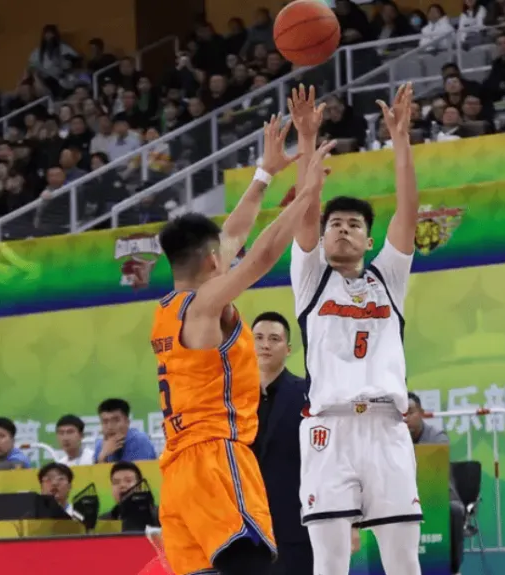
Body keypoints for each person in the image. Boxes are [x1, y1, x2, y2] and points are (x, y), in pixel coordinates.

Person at [151, 114, 335, 575]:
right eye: (222, 254)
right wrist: (307, 193)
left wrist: (265, 174)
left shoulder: (169, 309)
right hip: (215, 455)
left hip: (177, 472)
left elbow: (232, 235)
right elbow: (262, 255)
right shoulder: (204, 306)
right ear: (212, 261)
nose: (229, 252)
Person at [287, 83, 421, 575]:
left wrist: (401, 141)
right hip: (329, 428)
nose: (343, 228)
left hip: (386, 426)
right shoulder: (311, 277)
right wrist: (306, 140)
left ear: (369, 239)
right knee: (330, 564)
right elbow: (305, 210)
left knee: (404, 563)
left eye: (354, 224)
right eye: (335, 224)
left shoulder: (388, 279)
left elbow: (408, 211)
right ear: (323, 238)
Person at [251, 311, 313, 575]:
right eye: (259, 338)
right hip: (246, 528)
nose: (265, 345)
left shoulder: (307, 394)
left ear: (287, 349)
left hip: (295, 525)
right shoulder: (232, 397)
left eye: (274, 339)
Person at [405, 393, 465, 575]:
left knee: (454, 510)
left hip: (437, 495)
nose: (406, 418)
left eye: (410, 412)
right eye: (401, 414)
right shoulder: (392, 440)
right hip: (403, 499)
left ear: (422, 413)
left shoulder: (438, 437)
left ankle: (453, 570)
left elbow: (434, 474)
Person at [93, 398, 156, 463]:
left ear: (127, 422)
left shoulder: (140, 441)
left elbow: (141, 469)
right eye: (105, 422)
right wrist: (102, 456)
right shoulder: (100, 446)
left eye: (115, 420)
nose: (110, 427)